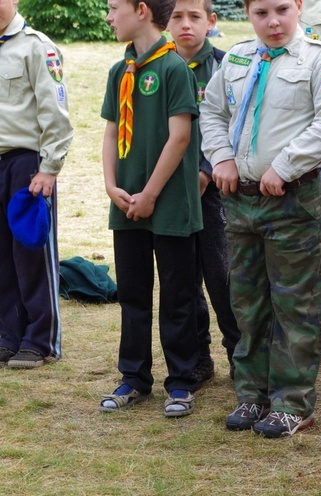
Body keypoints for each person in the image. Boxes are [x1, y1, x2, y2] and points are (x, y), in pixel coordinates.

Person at [200, 0, 321, 437]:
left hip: (291, 201)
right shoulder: (238, 58)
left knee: (295, 305)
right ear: (248, 12)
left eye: (282, 9)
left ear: (299, 7)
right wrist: (222, 156)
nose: (273, 21)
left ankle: (292, 402)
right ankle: (252, 395)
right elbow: (211, 111)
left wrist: (284, 165)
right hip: (240, 202)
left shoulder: (319, 59)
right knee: (247, 303)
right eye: (261, 11)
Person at [98, 0, 202, 417]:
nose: (108, 17)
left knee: (177, 296)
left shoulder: (175, 68)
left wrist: (152, 194)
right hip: (126, 201)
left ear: (141, 10)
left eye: (112, 8)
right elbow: (109, 133)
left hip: (170, 203)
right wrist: (111, 186)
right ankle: (134, 377)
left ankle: (181, 381)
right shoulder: (118, 71)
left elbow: (179, 138)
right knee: (133, 295)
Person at [167, 0, 241, 387]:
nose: (185, 25)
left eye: (194, 17)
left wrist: (207, 171)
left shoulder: (227, 66)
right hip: (170, 191)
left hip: (214, 190)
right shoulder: (160, 67)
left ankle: (239, 353)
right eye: (177, 17)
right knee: (182, 277)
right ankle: (197, 357)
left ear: (211, 22)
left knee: (220, 273)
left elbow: (233, 124)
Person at [0, 0, 73, 368]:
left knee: (31, 253)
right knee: (1, 255)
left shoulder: (36, 47)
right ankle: (8, 333)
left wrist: (49, 168)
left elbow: (55, 112)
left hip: (25, 164)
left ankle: (40, 339)